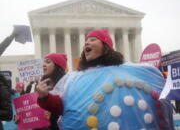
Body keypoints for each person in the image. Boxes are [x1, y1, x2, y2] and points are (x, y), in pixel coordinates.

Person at [36, 29, 169, 130]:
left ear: (106, 46)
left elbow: (155, 93)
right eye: (86, 41)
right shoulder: (74, 78)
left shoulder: (128, 70)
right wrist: (45, 97)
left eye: (93, 39)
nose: (87, 42)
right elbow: (63, 106)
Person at [15, 53, 67, 130]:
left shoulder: (66, 85)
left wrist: (53, 115)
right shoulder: (38, 86)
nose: (43, 65)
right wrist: (21, 117)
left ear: (57, 66)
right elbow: (31, 108)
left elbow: (69, 110)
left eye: (48, 62)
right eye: (44, 62)